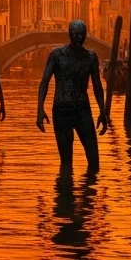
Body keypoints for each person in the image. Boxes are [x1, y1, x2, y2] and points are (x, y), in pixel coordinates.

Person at [37, 20, 109, 172]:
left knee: (94, 160)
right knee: (66, 163)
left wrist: (102, 111)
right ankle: (66, 192)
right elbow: (44, 82)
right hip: (61, 110)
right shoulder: (56, 55)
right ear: (69, 35)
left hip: (82, 110)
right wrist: (40, 110)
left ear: (85, 36)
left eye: (81, 35)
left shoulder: (91, 57)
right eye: (75, 35)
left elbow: (97, 86)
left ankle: (89, 193)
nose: (78, 38)